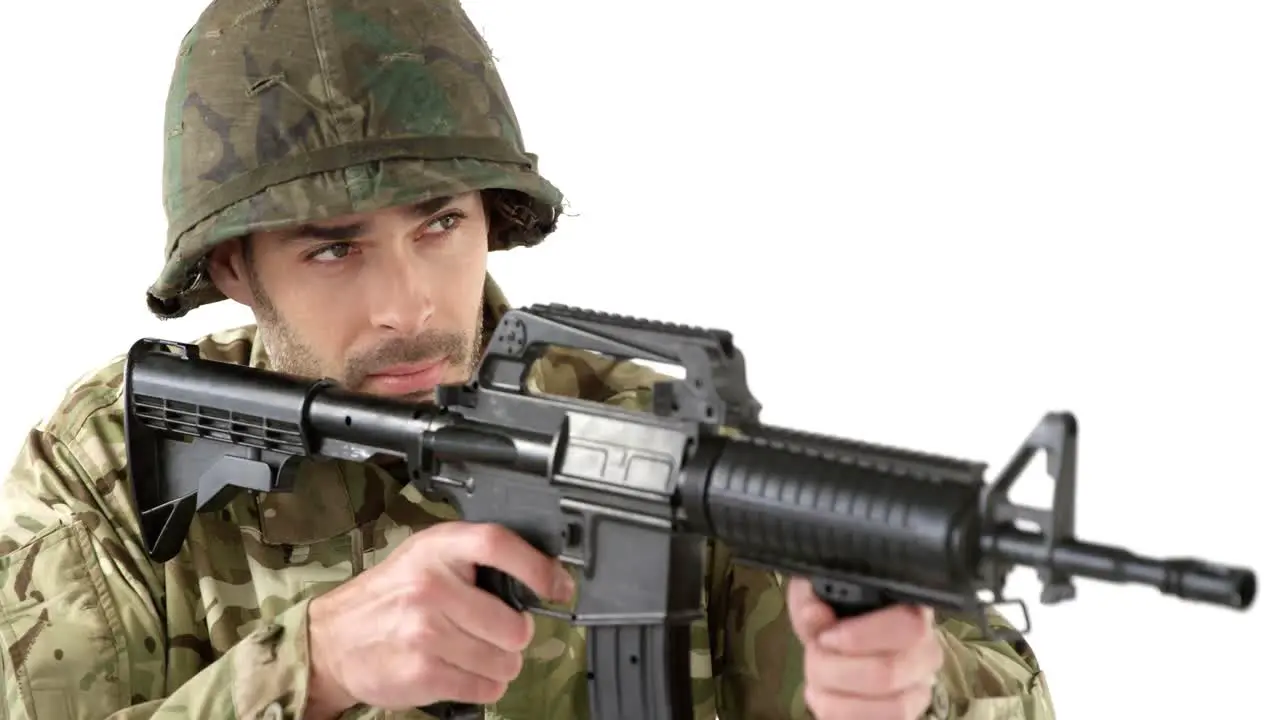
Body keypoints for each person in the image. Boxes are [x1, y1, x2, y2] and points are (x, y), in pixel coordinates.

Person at [0, 1, 1054, 718]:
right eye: (334, 249)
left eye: (438, 226)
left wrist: (909, 686)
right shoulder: (103, 470)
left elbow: (980, 682)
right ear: (233, 268)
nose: (408, 305)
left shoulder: (636, 438)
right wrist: (306, 667)